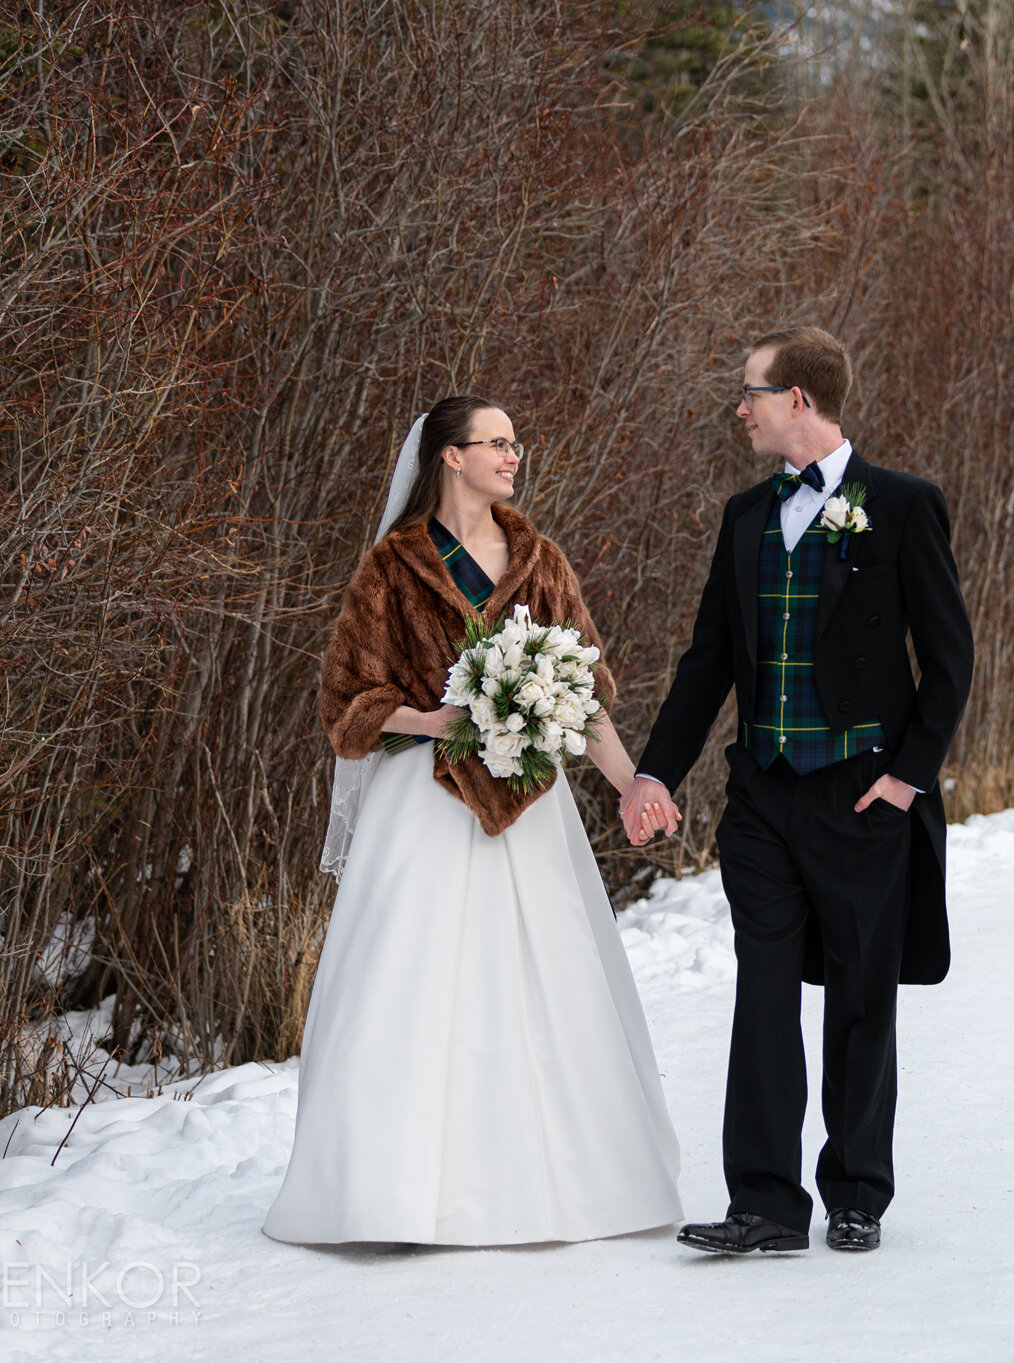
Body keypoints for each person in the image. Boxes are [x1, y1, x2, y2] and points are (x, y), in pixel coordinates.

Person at [263, 397, 682, 1246]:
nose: (512, 456)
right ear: (449, 457)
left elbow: (585, 698)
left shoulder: (542, 560)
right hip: (421, 803)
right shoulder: (390, 567)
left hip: (527, 805)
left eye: (515, 444)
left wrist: (631, 782)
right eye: (495, 443)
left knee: (542, 988)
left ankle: (562, 1188)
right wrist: (436, 718)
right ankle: (388, 1194)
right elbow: (346, 704)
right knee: (407, 990)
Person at [621, 327, 973, 1255]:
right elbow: (707, 668)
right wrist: (655, 767)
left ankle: (857, 1190)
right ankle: (767, 1205)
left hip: (862, 792)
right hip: (763, 798)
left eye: (751, 393)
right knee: (764, 995)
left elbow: (949, 660)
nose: (739, 408)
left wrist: (907, 777)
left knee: (861, 993)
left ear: (800, 400)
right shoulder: (744, 517)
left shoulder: (901, 506)